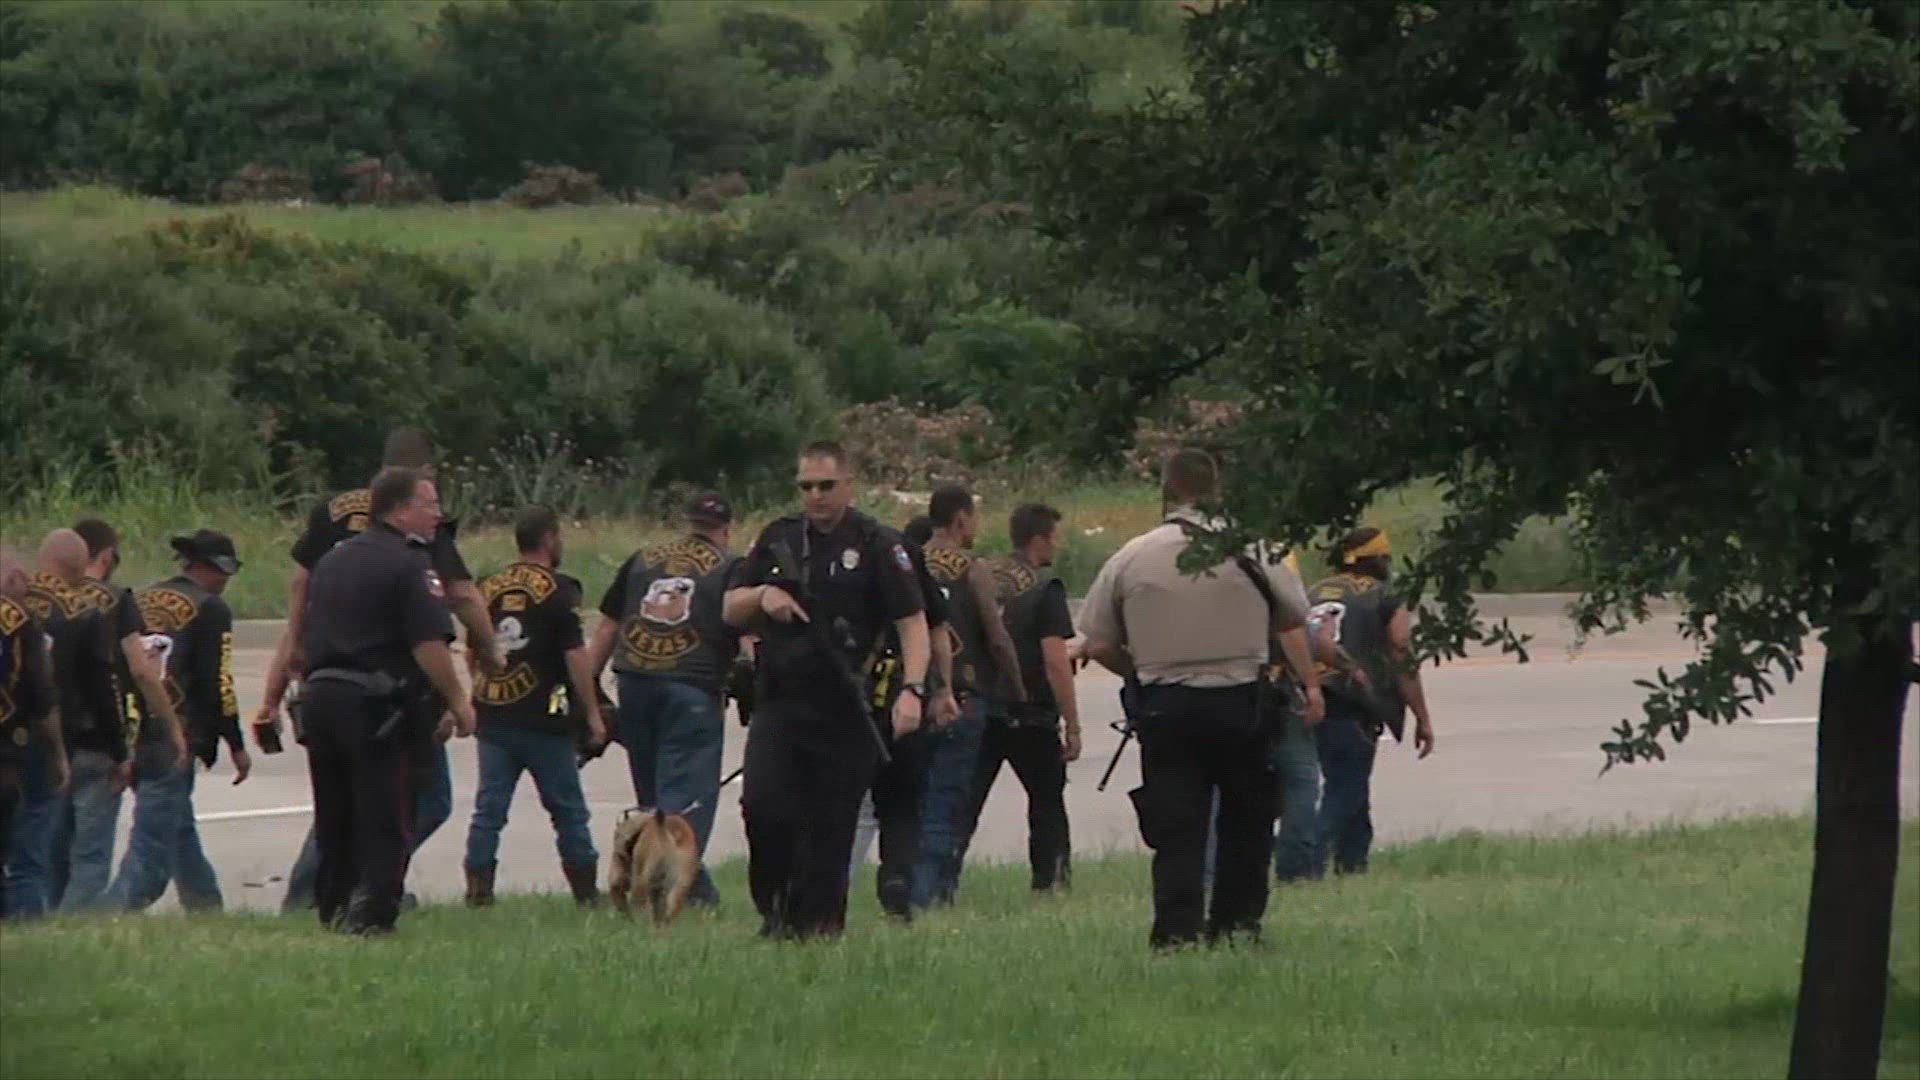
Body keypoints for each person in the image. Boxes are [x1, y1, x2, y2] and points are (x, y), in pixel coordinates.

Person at [1078, 449, 1324, 950]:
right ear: (1217, 490)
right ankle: (1237, 926)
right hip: (1244, 703)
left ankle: (1176, 932)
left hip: (1166, 707)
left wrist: (1141, 674)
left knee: (1177, 827)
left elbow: (1098, 642)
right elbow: (1294, 615)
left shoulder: (1132, 556)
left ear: (1166, 492)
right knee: (1248, 822)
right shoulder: (1255, 550)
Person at [269, 427, 502, 913]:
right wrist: (487, 652)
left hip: (326, 675)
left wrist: (294, 642)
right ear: (422, 475)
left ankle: (329, 892)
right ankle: (369, 887)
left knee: (340, 802)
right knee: (412, 798)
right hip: (390, 688)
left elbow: (300, 583)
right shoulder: (414, 547)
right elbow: (457, 598)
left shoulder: (333, 516)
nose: (437, 511)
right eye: (431, 499)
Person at [723, 440, 929, 939]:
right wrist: (763, 596)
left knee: (831, 825)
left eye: (825, 485)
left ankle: (817, 930)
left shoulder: (879, 544)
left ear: (848, 485)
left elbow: (913, 623)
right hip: (780, 699)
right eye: (806, 486)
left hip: (846, 704)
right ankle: (775, 913)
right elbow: (729, 607)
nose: (815, 495)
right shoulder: (779, 537)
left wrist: (914, 690)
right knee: (762, 808)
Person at [298, 466, 475, 935]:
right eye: (430, 505)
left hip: (321, 697)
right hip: (375, 707)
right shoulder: (410, 563)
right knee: (387, 813)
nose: (437, 515)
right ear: (399, 510)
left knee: (334, 812)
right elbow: (428, 643)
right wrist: (458, 700)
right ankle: (373, 916)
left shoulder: (334, 560)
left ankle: (333, 908)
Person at [587, 493, 742, 910]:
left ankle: (681, 886)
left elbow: (606, 629)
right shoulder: (731, 566)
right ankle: (678, 893)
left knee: (653, 799)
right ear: (726, 530)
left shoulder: (643, 560)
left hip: (634, 683)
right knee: (685, 804)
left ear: (687, 523)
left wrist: (588, 692)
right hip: (692, 686)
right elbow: (747, 635)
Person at [464, 507, 607, 907]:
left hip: (494, 714)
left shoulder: (488, 586)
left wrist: (483, 689)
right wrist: (592, 713)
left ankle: (478, 890)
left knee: (489, 810)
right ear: (548, 539)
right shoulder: (561, 590)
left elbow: (473, 651)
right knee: (568, 810)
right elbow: (575, 657)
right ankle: (585, 892)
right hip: (545, 717)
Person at [107, 530, 252, 912]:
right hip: (176, 734)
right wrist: (235, 743)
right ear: (214, 567)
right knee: (152, 848)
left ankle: (205, 906)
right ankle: (110, 915)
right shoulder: (210, 608)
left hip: (134, 727)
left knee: (178, 827)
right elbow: (217, 682)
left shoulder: (139, 598)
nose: (227, 581)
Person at [50, 519, 188, 912]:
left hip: (47, 740)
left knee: (47, 850)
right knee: (89, 856)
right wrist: (170, 728)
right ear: (107, 557)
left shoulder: (38, 599)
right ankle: (74, 932)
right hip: (98, 739)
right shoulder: (116, 600)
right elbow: (142, 672)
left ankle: (40, 923)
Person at [10, 531, 144, 920]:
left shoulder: (13, 604)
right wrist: (120, 750)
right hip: (71, 741)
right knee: (83, 852)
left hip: (15, 738)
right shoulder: (83, 613)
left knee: (32, 844)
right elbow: (103, 688)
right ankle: (69, 925)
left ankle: (32, 914)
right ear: (83, 566)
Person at [909, 488, 1027, 907]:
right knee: (947, 802)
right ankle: (931, 895)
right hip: (962, 696)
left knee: (912, 801)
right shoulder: (971, 569)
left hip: (912, 696)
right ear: (961, 519)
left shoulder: (908, 561)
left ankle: (907, 886)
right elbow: (997, 638)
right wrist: (1017, 690)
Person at [959, 503, 1080, 896]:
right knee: (1046, 804)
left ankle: (940, 883)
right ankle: (1050, 884)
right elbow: (1055, 661)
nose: (1057, 545)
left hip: (981, 704)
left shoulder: (982, 573)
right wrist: (1072, 724)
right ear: (1039, 539)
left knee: (964, 803)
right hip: (1031, 712)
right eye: (1055, 537)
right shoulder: (1045, 587)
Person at [1306, 527, 1436, 876]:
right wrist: (1421, 716)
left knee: (1351, 784)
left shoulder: (1314, 590)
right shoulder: (1385, 595)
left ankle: (1353, 865)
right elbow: (1399, 646)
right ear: (1378, 560)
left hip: (1309, 694)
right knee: (1345, 789)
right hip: (1351, 698)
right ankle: (1309, 865)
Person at [858, 516, 954, 922]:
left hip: (856, 696)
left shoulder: (843, 557)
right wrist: (943, 690)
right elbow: (937, 631)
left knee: (852, 802)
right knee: (901, 803)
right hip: (901, 695)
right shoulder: (909, 562)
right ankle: (896, 876)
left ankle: (838, 885)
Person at [1, 546, 67, 919]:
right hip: (14, 752)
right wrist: (58, 753)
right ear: (12, 578)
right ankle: (24, 925)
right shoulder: (19, 621)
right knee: (26, 853)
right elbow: (41, 695)